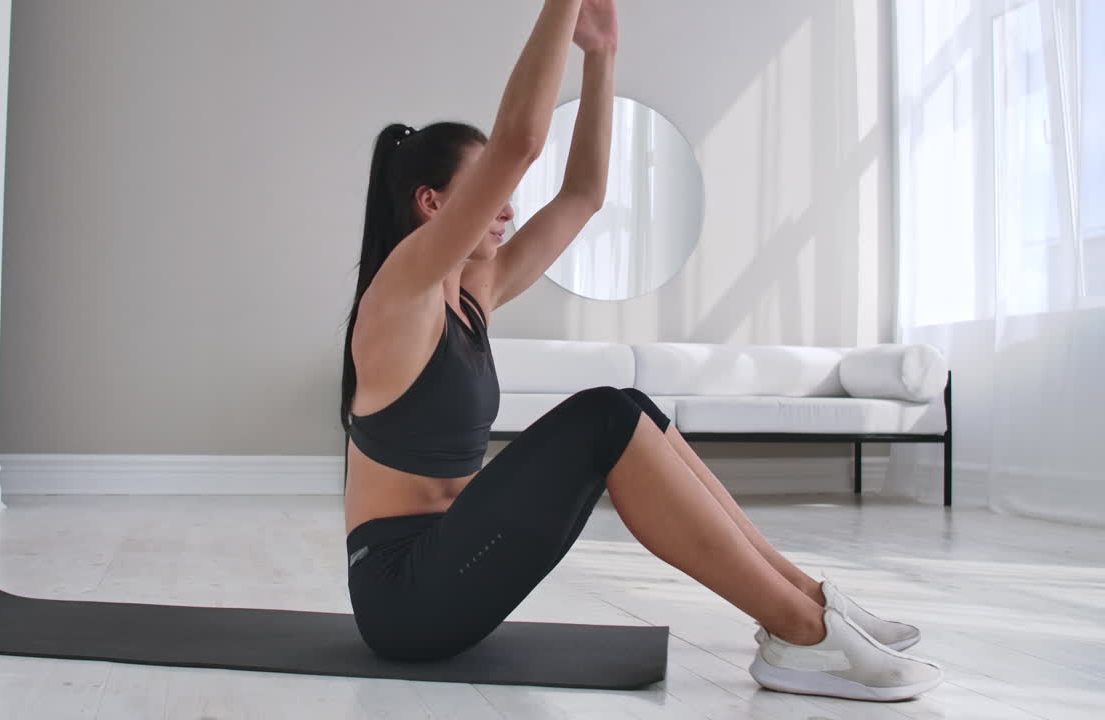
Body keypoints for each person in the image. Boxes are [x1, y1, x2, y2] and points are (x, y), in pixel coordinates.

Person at [340, 0, 942, 702]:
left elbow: (583, 195)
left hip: (458, 562)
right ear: (433, 204)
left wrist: (601, 56)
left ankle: (808, 601)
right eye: (489, 191)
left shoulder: (474, 294)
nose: (507, 207)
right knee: (603, 416)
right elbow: (519, 143)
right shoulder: (399, 296)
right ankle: (803, 635)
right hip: (406, 599)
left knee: (630, 405)